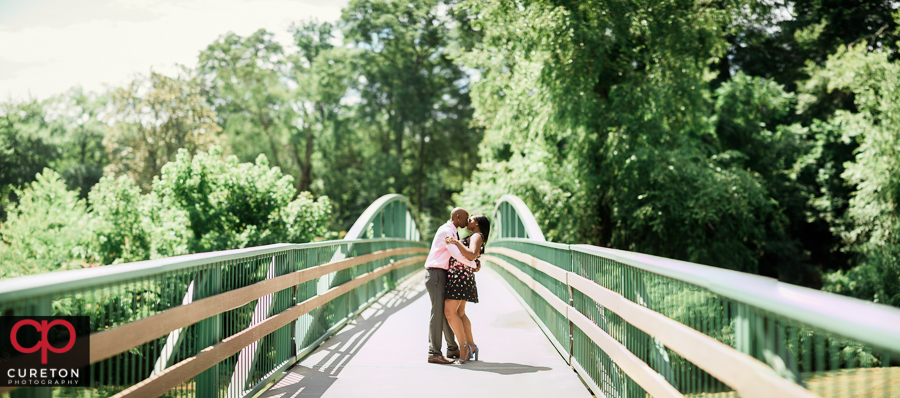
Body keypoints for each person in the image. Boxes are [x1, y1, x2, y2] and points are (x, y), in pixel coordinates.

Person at [424, 207, 477, 364]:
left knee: (446, 312)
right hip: (436, 274)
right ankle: (434, 352)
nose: (467, 222)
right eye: (465, 218)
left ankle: (452, 349)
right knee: (437, 313)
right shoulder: (447, 231)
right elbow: (456, 254)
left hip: (442, 274)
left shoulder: (452, 231)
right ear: (458, 217)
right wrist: (473, 264)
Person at [444, 214, 491, 364]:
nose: (467, 222)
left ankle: (463, 349)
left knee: (450, 313)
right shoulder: (475, 235)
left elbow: (471, 255)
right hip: (462, 277)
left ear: (477, 224)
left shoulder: (477, 235)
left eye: (470, 220)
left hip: (460, 278)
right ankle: (471, 345)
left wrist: (457, 243)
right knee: (459, 313)